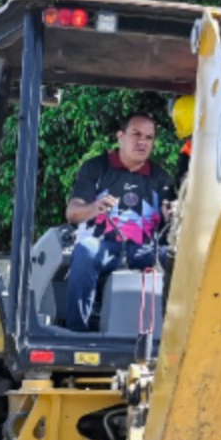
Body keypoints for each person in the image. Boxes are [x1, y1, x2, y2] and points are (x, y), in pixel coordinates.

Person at [61, 112, 177, 332]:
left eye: (149, 137)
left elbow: (170, 219)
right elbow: (72, 212)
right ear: (120, 136)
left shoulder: (160, 177)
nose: (142, 141)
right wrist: (94, 207)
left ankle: (172, 334)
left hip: (144, 250)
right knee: (85, 249)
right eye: (136, 134)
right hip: (103, 244)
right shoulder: (95, 168)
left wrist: (172, 212)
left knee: (178, 258)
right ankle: (76, 333)